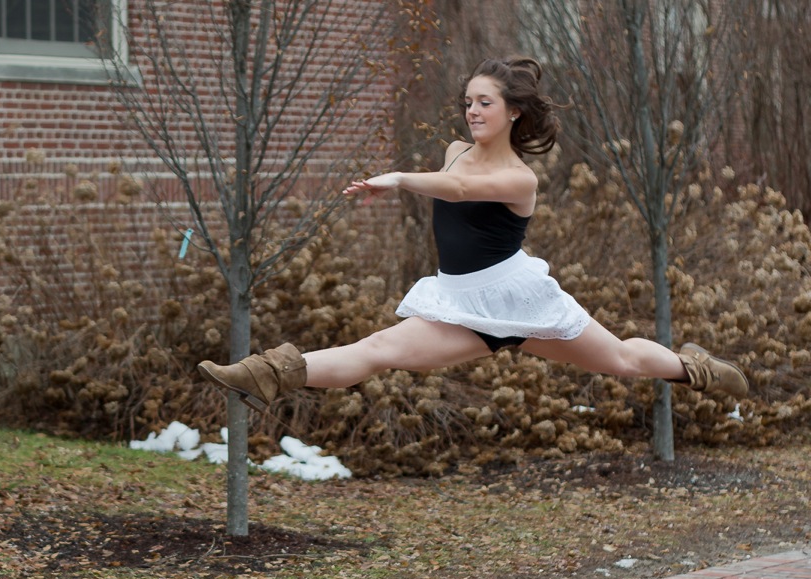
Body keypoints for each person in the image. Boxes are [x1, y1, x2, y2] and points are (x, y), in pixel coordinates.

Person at [198, 56, 748, 412]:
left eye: (485, 103)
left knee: (624, 361)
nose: (473, 111)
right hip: (460, 301)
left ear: (512, 112)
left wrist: (396, 178)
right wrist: (412, 179)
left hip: (518, 299)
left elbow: (458, 192)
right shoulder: (455, 153)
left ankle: (697, 369)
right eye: (468, 102)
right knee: (378, 349)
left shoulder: (518, 178)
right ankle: (262, 374)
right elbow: (451, 179)